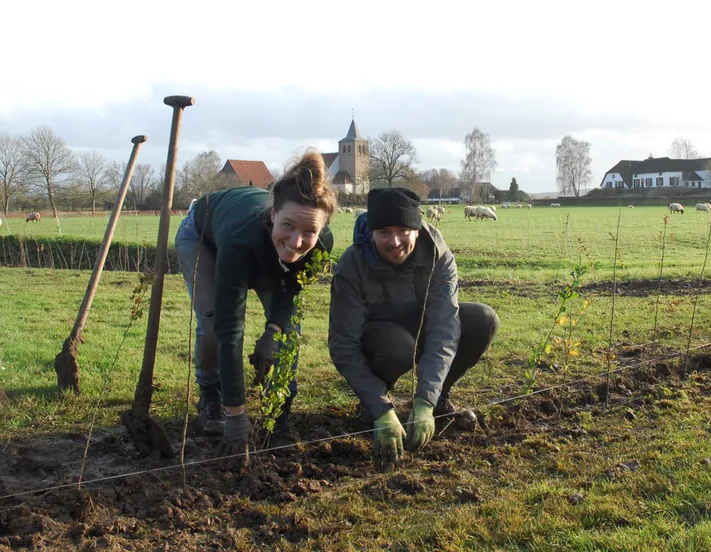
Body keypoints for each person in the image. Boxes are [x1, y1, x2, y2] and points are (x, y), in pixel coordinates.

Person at [174, 149, 335, 464]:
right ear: (273, 214)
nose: (297, 241)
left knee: (288, 328)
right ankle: (211, 394)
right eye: (288, 224)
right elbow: (230, 329)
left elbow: (291, 288)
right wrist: (236, 414)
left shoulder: (320, 246)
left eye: (309, 232)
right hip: (203, 235)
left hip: (262, 246)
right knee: (212, 322)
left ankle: (279, 411)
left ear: (321, 228)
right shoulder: (240, 242)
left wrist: (273, 330)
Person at [328, 187, 500, 469]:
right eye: (384, 232)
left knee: (483, 319)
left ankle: (439, 398)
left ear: (417, 229)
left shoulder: (438, 256)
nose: (394, 241)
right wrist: (380, 409)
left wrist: (426, 400)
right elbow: (343, 344)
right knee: (397, 347)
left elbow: (445, 328)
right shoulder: (352, 265)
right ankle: (374, 406)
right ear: (372, 232)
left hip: (423, 328)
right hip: (382, 339)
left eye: (403, 231)